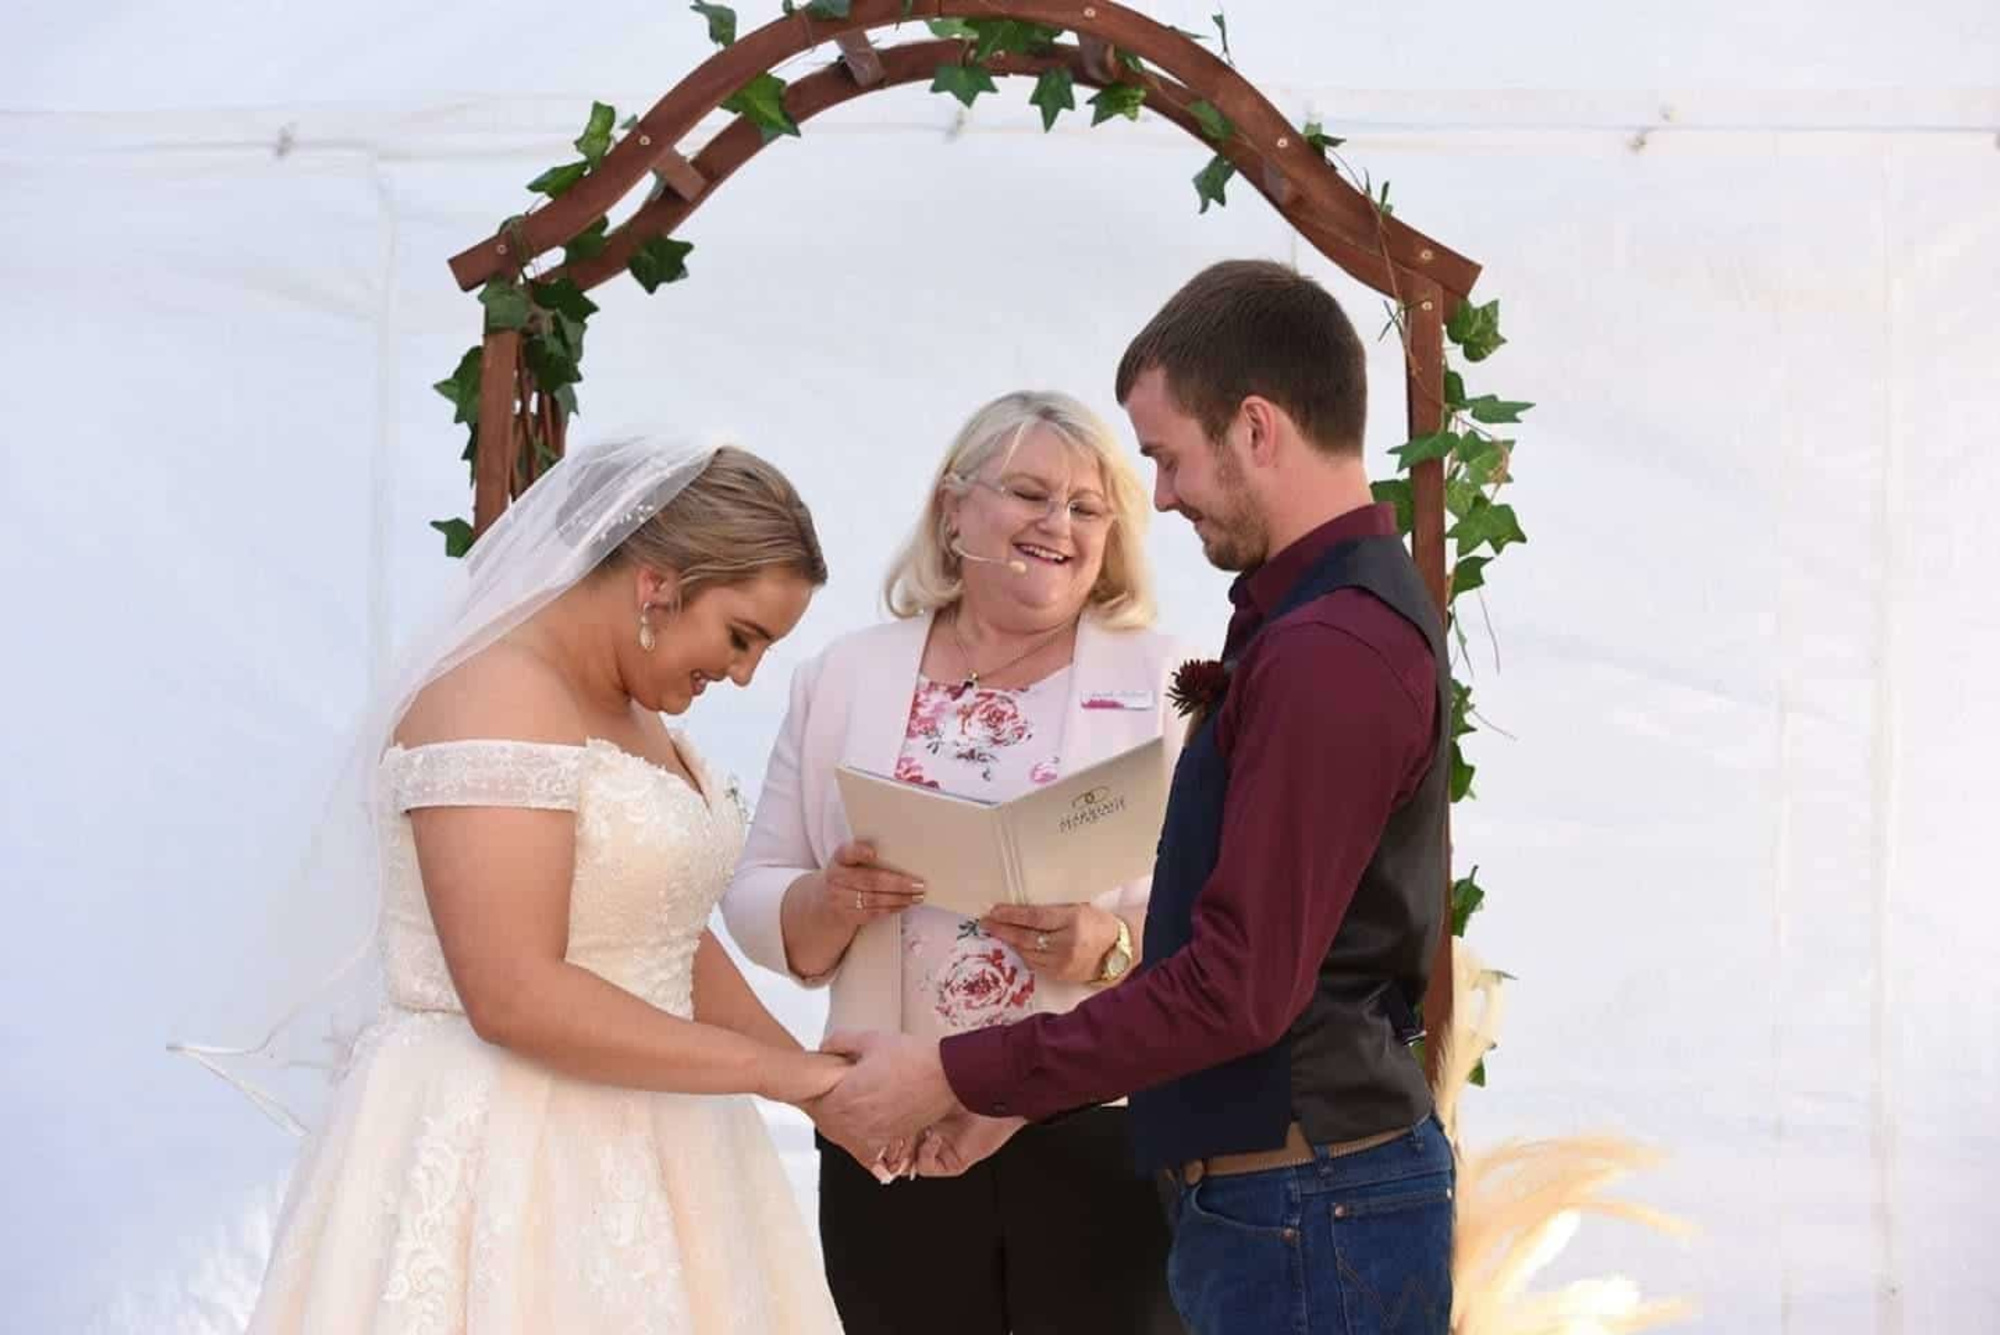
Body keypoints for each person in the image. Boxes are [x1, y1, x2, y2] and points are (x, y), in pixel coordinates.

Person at [815, 263, 1458, 1335]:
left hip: (1307, 1205)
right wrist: (1007, 1097)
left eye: (1164, 456)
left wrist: (958, 1070)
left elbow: (1233, 989)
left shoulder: (1328, 651)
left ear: (1255, 428)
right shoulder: (1299, 626)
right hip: (1280, 1201)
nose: (1156, 494)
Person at [203, 440, 849, 1333]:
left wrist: (821, 1083)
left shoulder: (635, 707)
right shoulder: (490, 696)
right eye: (742, 637)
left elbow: (661, 933)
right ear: (657, 584)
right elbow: (512, 991)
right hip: (503, 1146)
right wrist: (781, 1074)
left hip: (677, 1148)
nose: (744, 673)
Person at [723, 391, 1190, 1335]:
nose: (1058, 525)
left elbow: (1221, 913)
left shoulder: (1166, 681)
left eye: (1088, 508)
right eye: (1028, 493)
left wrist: (1107, 943)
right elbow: (754, 892)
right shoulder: (846, 675)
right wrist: (831, 897)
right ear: (952, 509)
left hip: (1096, 1124)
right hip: (890, 1122)